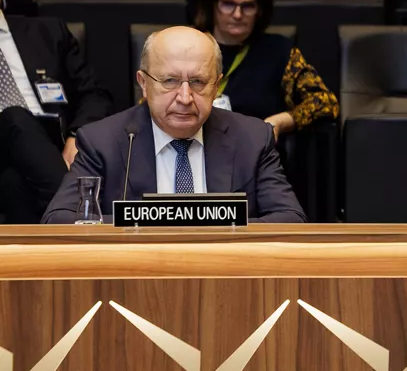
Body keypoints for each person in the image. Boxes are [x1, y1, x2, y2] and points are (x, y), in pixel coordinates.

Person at [42, 26, 305, 224]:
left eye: (199, 82)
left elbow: (290, 219)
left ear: (216, 85)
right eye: (169, 81)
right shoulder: (102, 142)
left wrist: (209, 227)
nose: (185, 97)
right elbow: (59, 219)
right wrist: (151, 223)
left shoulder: (253, 138)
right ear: (143, 83)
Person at [193, 0, 337, 139]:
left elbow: (325, 103)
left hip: (254, 159)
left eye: (248, 6)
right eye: (228, 4)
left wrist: (279, 122)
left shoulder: (279, 52)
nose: (237, 14)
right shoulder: (184, 45)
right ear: (212, 4)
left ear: (260, 9)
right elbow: (150, 103)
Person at [0, 0, 112, 223]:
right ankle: (77, 213)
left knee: (13, 184)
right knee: (14, 117)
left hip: (51, 145)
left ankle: (47, 250)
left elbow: (95, 94)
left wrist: (75, 136)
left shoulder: (47, 32)